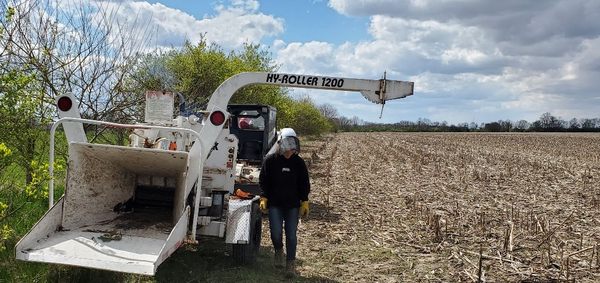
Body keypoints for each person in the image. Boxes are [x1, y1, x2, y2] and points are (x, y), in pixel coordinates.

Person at [259, 128, 310, 276]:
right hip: (275, 204)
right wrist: (264, 197)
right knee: (275, 233)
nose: (289, 150)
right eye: (286, 145)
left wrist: (304, 201)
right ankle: (278, 250)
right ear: (280, 144)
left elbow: (304, 183)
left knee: (291, 235)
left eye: (292, 146)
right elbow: (263, 180)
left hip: (292, 205)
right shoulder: (270, 161)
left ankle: (290, 265)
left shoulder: (299, 163)